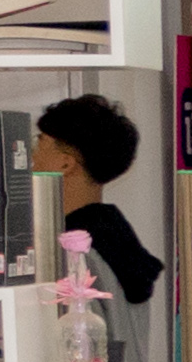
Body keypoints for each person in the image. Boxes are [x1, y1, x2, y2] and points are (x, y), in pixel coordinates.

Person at [29, 93, 169, 310]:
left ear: (65, 164)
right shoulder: (117, 241)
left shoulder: (70, 253)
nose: (31, 156)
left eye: (39, 143)